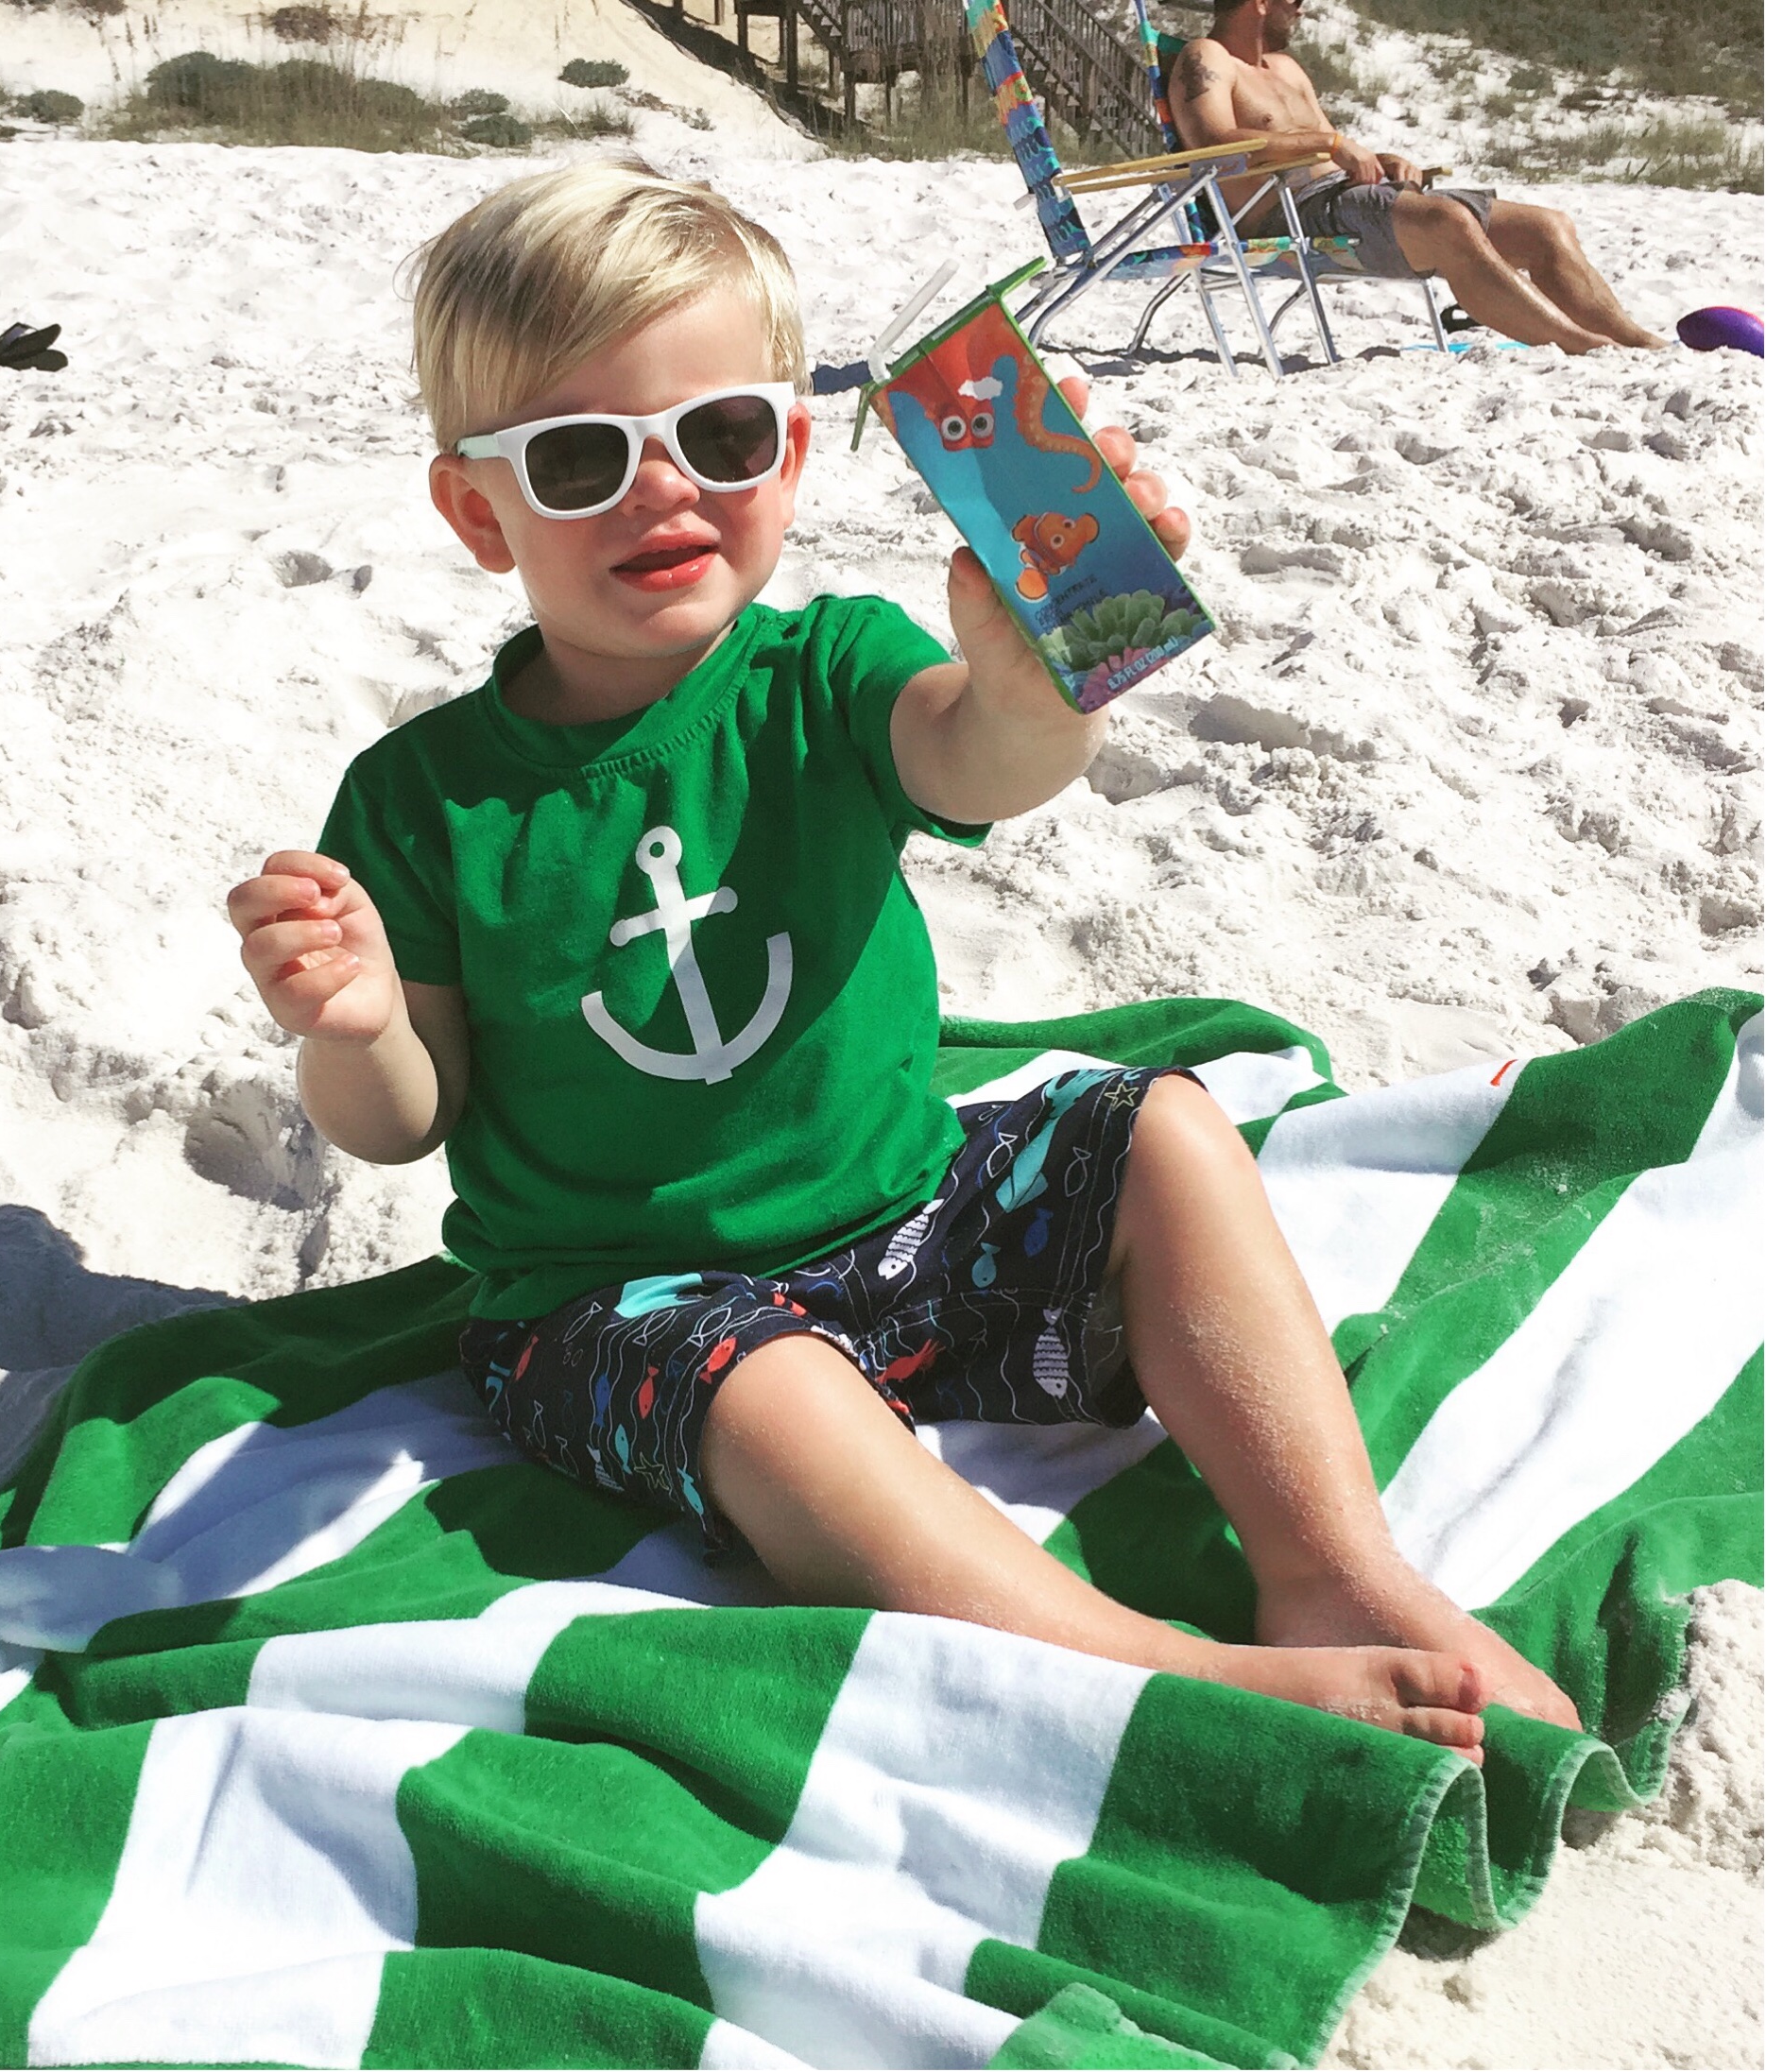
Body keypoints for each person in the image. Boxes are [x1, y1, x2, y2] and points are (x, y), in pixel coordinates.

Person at [227, 160, 1579, 1753]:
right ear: (477, 511)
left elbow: (978, 760)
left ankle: (1332, 1569)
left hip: (912, 1220)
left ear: (788, 456)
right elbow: (404, 1119)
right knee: (770, 1390)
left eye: (721, 437)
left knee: (1161, 1129)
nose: (662, 491)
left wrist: (1033, 678)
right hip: (618, 1303)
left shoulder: (826, 671)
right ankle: (1152, 1671)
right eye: (579, 458)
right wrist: (353, 1025)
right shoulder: (423, 800)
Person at [1170, 0, 1666, 352]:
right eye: (1295, 0)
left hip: (1350, 198)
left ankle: (1635, 340)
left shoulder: (1286, 69)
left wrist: (1382, 160)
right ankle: (1578, 344)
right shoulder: (1206, 56)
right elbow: (1212, 144)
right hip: (1286, 214)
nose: (1302, 10)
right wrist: (1333, 145)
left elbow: (1327, 146)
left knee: (1546, 226)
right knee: (1448, 221)